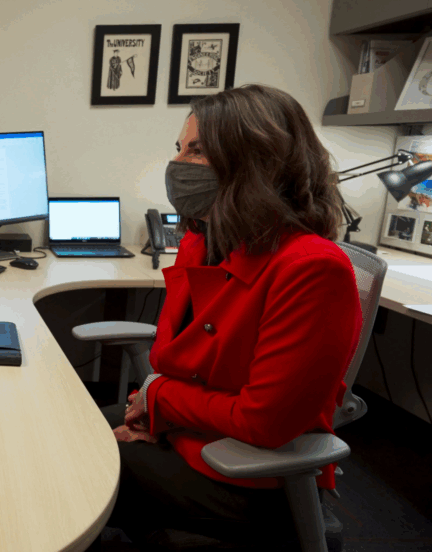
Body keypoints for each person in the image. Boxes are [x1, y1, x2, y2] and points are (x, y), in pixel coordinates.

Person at [95, 85, 363, 551]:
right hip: (193, 433)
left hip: (247, 476)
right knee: (73, 429)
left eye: (197, 150)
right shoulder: (211, 242)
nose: (178, 165)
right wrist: (155, 405)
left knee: (71, 468)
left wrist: (159, 399)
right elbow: (176, 360)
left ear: (255, 160)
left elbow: (265, 424)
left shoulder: (311, 268)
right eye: (179, 149)